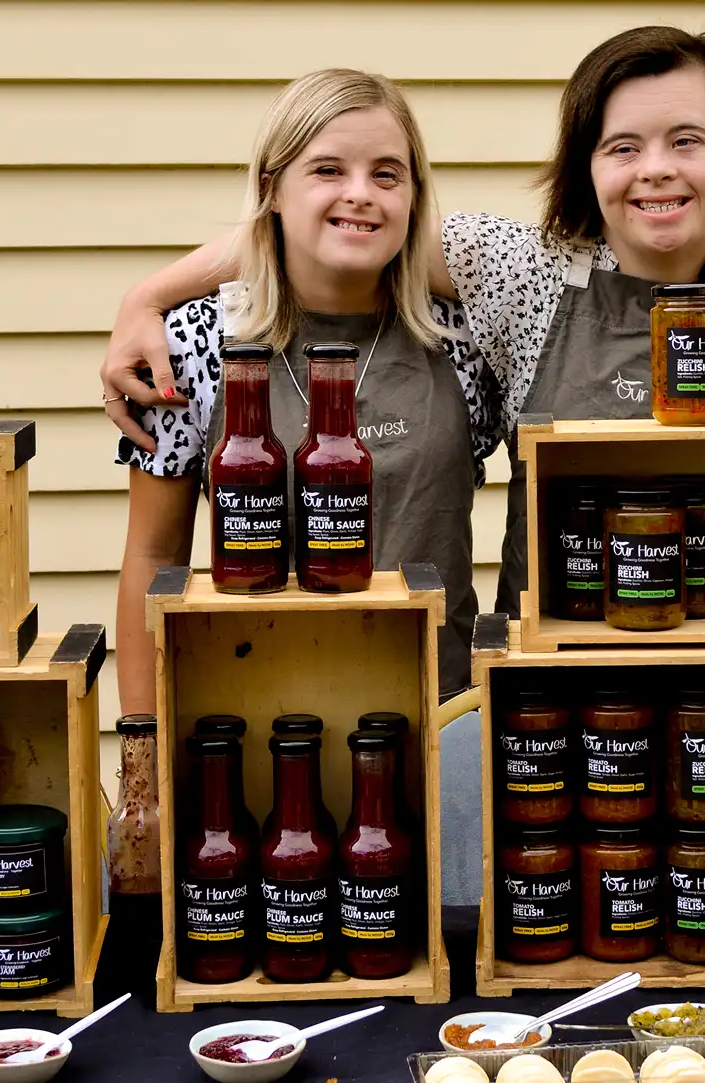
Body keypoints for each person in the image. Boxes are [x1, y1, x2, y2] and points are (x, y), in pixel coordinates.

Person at [101, 27, 705, 620]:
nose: (656, 168)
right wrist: (151, 293)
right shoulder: (527, 275)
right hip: (542, 709)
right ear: (589, 167)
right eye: (623, 146)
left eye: (688, 140)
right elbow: (336, 228)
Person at [111, 68, 499, 716]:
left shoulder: (466, 336)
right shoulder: (194, 342)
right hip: (253, 730)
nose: (361, 194)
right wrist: (145, 752)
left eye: (386, 174)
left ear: (414, 195)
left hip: (441, 721)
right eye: (327, 170)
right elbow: (153, 558)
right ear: (273, 189)